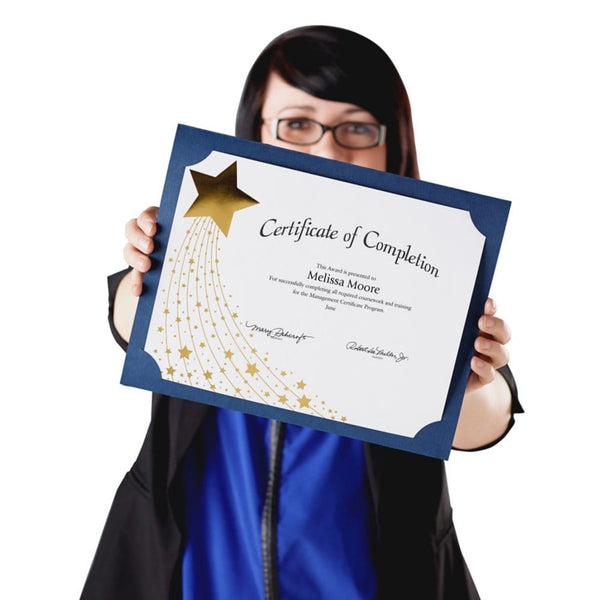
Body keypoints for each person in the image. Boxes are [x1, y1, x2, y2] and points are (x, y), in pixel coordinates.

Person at [81, 25, 522, 600]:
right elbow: (129, 324)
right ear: (255, 131)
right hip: (190, 580)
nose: (328, 152)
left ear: (393, 144)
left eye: (357, 128)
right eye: (297, 124)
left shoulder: (434, 269)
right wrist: (148, 267)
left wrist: (471, 382)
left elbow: (487, 422)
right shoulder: (205, 236)